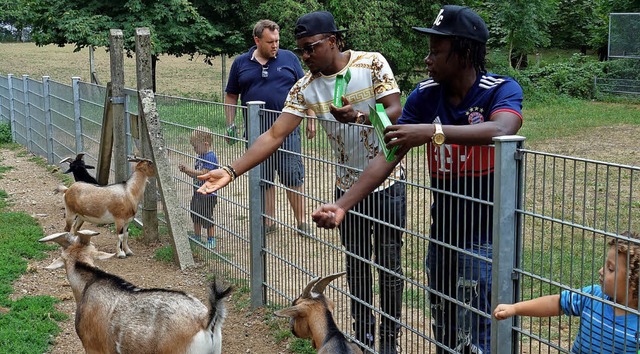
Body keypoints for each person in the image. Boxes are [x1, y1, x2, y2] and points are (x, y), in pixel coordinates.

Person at [312, 5, 523, 354]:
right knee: (443, 320)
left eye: (436, 52)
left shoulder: (499, 89)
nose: (427, 59)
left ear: (464, 52)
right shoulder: (426, 94)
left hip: (487, 234)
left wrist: (433, 131)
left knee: (481, 328)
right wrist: (342, 205)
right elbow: (388, 155)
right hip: (443, 232)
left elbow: (503, 128)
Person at [199, 11, 406, 354]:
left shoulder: (371, 64)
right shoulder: (305, 87)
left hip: (387, 184)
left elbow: (396, 112)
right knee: (356, 269)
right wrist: (232, 170)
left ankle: (389, 345)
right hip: (345, 191)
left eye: (311, 48)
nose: (305, 56)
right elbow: (275, 134)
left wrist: (358, 115)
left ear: (335, 41)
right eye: (302, 50)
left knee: (389, 268)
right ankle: (364, 341)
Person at [224, 19, 314, 236]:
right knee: (263, 177)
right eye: (270, 41)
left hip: (287, 129)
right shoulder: (241, 63)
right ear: (257, 40)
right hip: (255, 131)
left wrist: (311, 118)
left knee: (292, 174)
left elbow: (306, 90)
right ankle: (268, 222)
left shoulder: (289, 58)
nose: (275, 45)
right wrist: (230, 124)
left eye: (277, 40)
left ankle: (301, 222)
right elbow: (231, 95)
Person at [494, 231, 640, 353]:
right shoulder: (593, 296)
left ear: (633, 281)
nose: (601, 271)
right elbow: (556, 303)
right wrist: (514, 308)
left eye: (610, 269)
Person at [179, 126, 219, 248]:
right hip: (197, 192)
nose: (194, 149)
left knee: (206, 216)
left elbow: (204, 174)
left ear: (205, 144)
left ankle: (211, 238)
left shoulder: (210, 157)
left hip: (208, 194)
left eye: (195, 146)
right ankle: (197, 236)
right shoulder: (199, 157)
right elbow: (196, 175)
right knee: (195, 213)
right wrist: (187, 171)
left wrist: (189, 170)